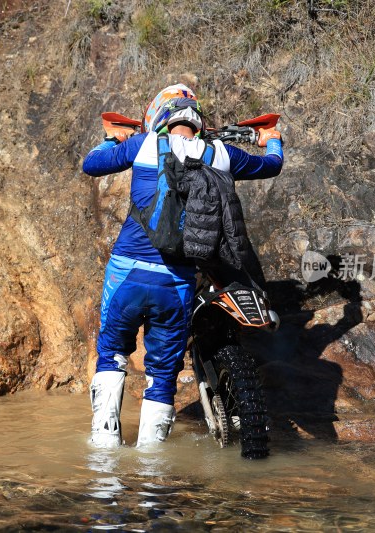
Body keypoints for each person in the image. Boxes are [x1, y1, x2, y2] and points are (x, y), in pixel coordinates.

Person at [82, 84, 284, 448]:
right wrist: (271, 138)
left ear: (160, 120)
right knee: (162, 374)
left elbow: (91, 164)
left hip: (127, 269)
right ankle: (151, 469)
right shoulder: (222, 152)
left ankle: (103, 454)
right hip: (176, 281)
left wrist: (113, 139)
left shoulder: (141, 144)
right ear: (200, 123)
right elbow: (273, 166)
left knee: (112, 355)